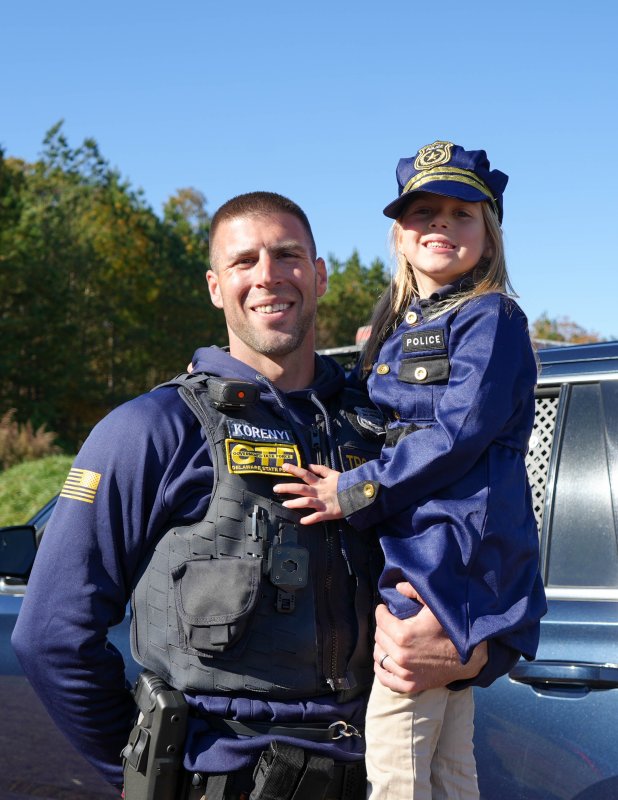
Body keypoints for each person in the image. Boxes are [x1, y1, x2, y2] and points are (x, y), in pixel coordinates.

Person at [13, 190, 507, 800]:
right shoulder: (151, 430)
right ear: (216, 286)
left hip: (379, 775)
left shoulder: (387, 427)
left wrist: (480, 655)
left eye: (288, 255)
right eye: (244, 262)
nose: (269, 277)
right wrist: (144, 780)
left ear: (319, 275)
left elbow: (494, 543)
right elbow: (52, 635)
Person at [275, 142, 547, 800]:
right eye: (425, 212)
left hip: (445, 555)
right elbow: (371, 416)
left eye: (462, 213)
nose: (442, 226)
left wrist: (352, 489)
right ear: (400, 235)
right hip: (422, 549)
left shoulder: (493, 317)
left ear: (490, 233)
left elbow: (456, 432)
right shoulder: (400, 326)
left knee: (396, 763)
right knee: (448, 767)